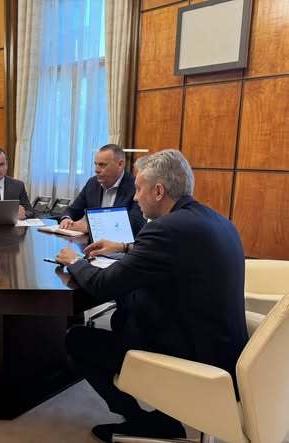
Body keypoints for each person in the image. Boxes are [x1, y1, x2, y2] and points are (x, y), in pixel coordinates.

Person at [55, 149, 248, 442]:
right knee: (124, 316)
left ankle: (144, 422)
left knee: (78, 339)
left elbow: (104, 285)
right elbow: (177, 252)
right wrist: (123, 247)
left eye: (139, 189)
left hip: (195, 362)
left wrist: (75, 261)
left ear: (158, 191)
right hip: (226, 351)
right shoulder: (214, 220)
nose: (135, 198)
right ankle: (163, 414)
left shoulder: (165, 230)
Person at [59, 144, 145, 235]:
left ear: (120, 164)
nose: (96, 170)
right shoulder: (92, 183)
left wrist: (92, 227)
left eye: (102, 165)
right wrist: (66, 219)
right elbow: (73, 210)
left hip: (122, 243)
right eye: (96, 164)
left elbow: (135, 224)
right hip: (92, 242)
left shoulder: (135, 186)